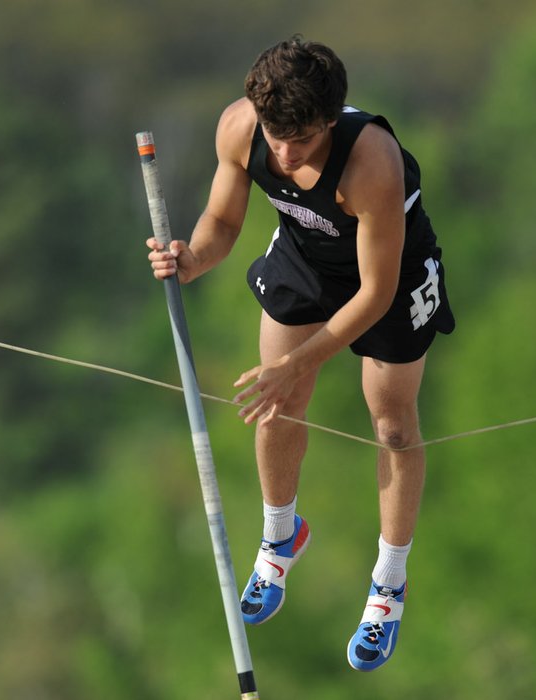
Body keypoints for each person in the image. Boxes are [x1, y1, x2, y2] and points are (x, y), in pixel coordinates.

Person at [147, 36, 455, 671]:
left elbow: (375, 295)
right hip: (305, 256)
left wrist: (301, 360)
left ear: (331, 119)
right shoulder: (240, 127)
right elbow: (224, 223)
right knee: (274, 402)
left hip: (388, 276)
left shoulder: (373, 162)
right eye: (274, 137)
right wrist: (190, 259)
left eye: (303, 141)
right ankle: (281, 535)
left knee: (393, 423)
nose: (284, 156)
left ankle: (388, 585)